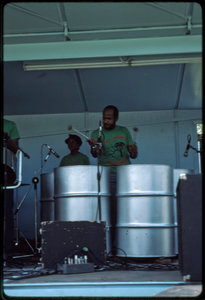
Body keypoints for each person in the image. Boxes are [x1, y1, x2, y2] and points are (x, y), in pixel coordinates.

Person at [87, 105, 138, 254]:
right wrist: (93, 148)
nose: (106, 121)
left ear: (116, 118)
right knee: (109, 211)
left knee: (123, 211)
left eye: (109, 118)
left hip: (124, 174)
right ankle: (110, 247)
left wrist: (134, 151)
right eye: (104, 118)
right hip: (106, 174)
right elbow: (94, 155)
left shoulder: (124, 131)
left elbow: (133, 156)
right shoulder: (97, 133)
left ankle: (123, 247)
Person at [3, 119, 20, 260]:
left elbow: (15, 149)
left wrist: (5, 138)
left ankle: (7, 251)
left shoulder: (10, 125)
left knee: (7, 213)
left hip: (6, 172)